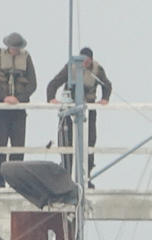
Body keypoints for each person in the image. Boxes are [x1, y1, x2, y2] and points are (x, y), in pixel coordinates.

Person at [47, 46, 112, 180]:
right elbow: (53, 83)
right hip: (69, 110)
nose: (84, 64)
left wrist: (105, 98)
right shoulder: (70, 68)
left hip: (88, 110)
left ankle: (86, 176)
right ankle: (67, 175)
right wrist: (51, 98)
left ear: (91, 60)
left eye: (87, 62)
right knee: (66, 142)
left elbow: (107, 85)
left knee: (89, 141)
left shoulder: (97, 70)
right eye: (82, 61)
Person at [0, 33, 37, 185]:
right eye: (13, 48)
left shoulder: (27, 58)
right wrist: (4, 97)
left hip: (18, 110)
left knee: (18, 144)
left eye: (18, 48)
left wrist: (19, 99)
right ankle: (0, 177)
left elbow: (33, 83)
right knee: (0, 143)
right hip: (0, 109)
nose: (15, 50)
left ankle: (16, 179)